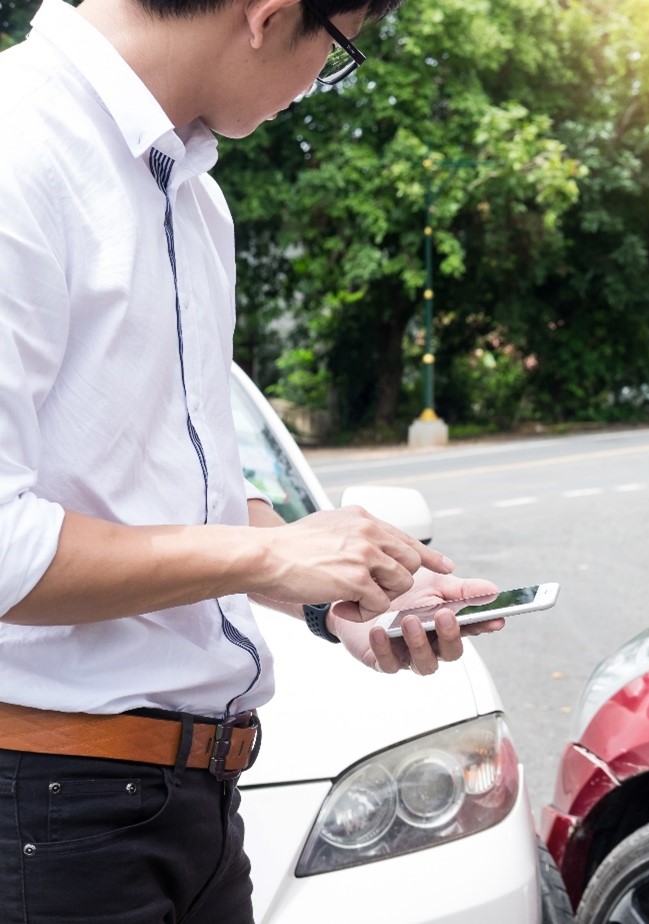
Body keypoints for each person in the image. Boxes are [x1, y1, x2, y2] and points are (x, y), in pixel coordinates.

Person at [0, 0, 499, 918]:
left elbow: (190, 498)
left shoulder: (192, 195)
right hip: (45, 807)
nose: (319, 84)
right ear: (269, 15)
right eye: (340, 49)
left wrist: (337, 596)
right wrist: (275, 558)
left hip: (192, 807)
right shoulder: (17, 149)